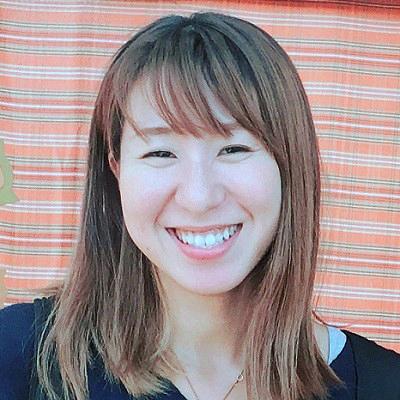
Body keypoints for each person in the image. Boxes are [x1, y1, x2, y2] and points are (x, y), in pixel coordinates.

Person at [0, 11, 399, 400]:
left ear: (290, 164)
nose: (199, 197)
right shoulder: (19, 355)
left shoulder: (385, 384)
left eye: (234, 148)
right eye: (160, 153)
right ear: (116, 169)